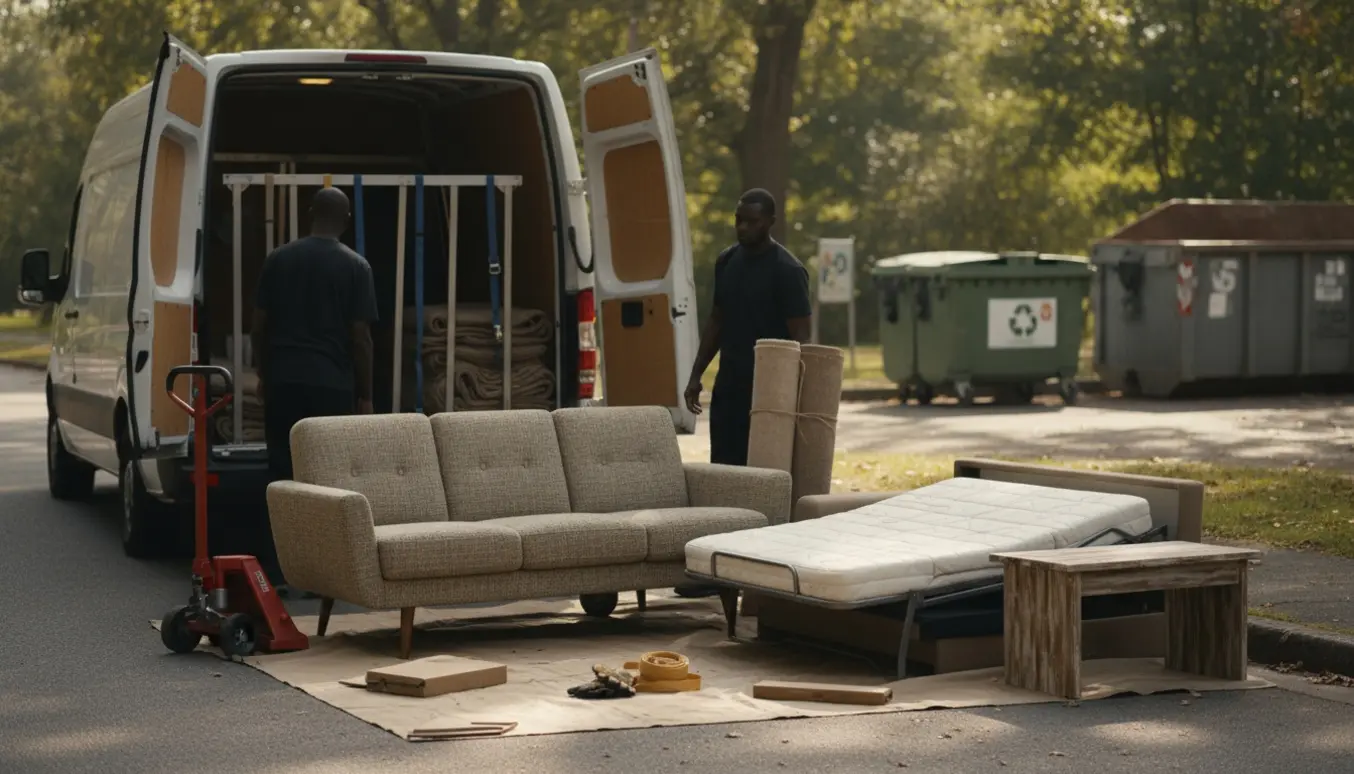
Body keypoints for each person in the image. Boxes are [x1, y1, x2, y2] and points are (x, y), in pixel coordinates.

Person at [251, 187, 378, 590]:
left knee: (280, 473)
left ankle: (275, 570)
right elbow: (360, 338)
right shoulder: (356, 267)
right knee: (327, 481)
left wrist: (263, 373)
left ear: (310, 213)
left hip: (284, 381)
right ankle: (323, 572)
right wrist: (365, 394)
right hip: (331, 386)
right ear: (347, 221)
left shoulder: (278, 259)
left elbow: (259, 326)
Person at [684, 188, 813, 466]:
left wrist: (800, 399)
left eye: (752, 221)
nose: (742, 227)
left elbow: (802, 339)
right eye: (738, 219)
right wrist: (696, 375)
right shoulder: (726, 261)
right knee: (724, 466)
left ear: (770, 222)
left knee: (763, 468)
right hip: (729, 384)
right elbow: (717, 320)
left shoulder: (788, 271)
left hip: (770, 390)